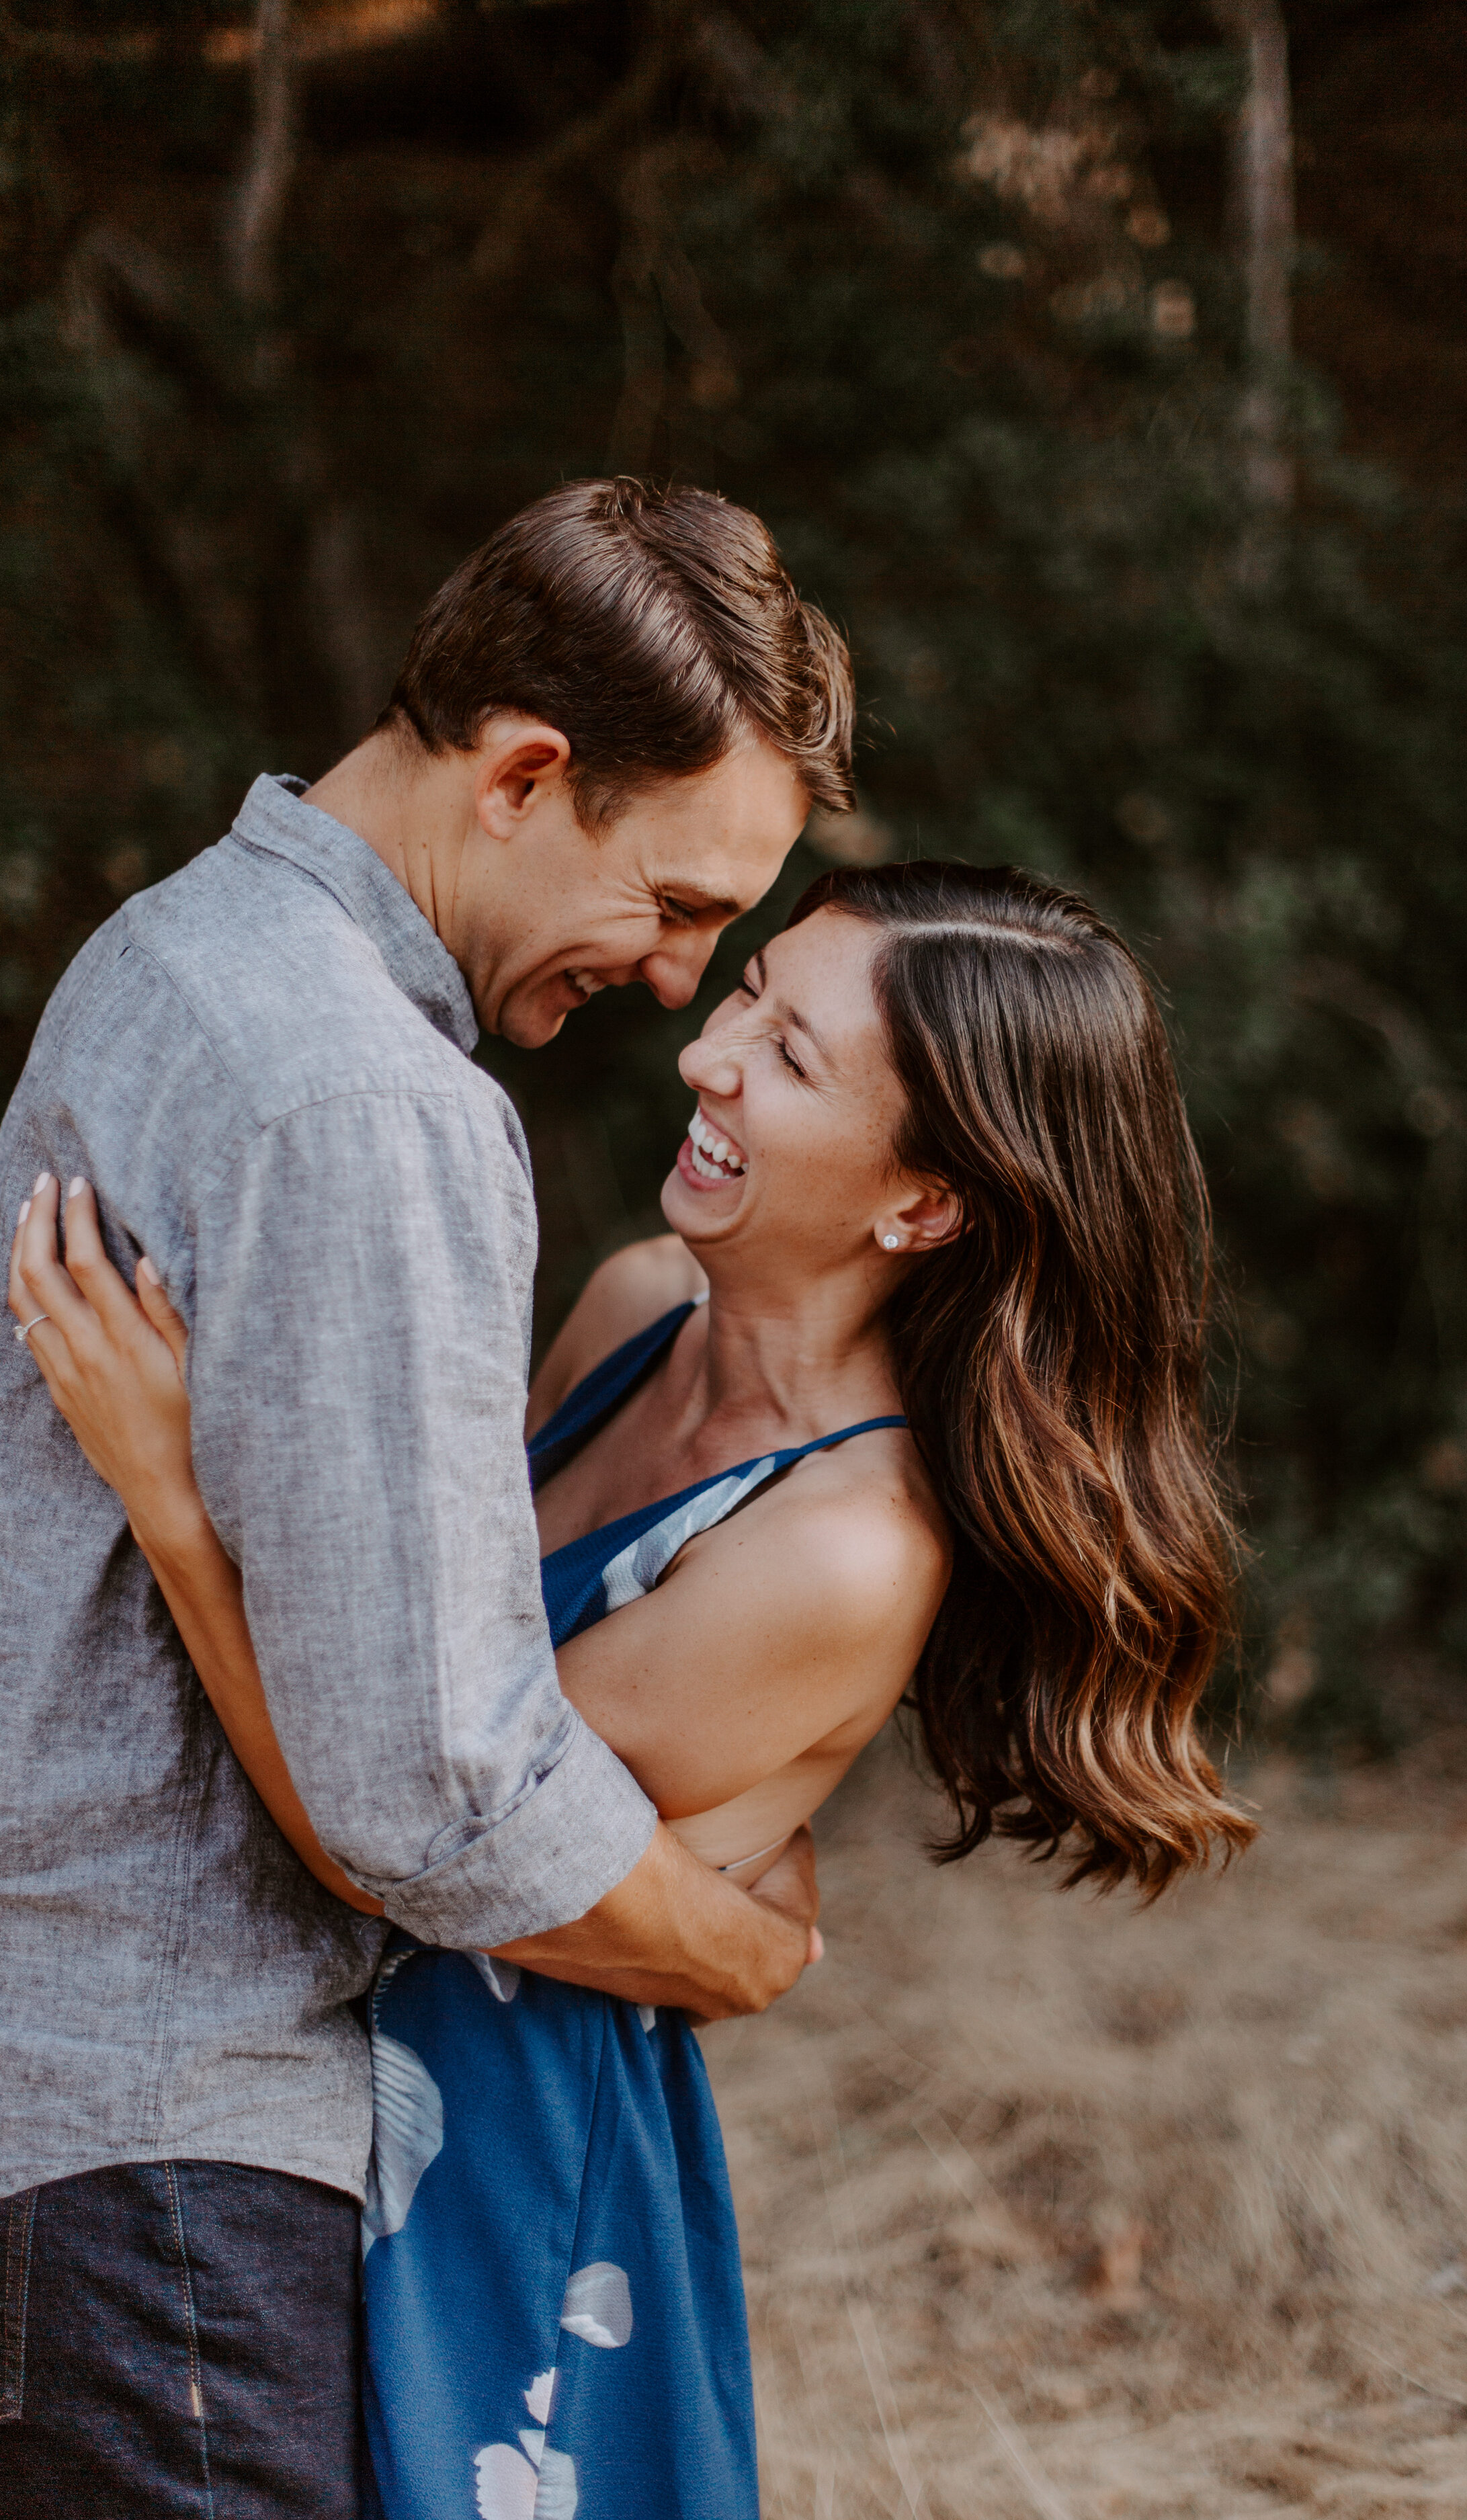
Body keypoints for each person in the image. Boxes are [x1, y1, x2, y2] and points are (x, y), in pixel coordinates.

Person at [10, 859, 1255, 2520]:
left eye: (794, 1058)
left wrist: (166, 1496)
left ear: (925, 1203)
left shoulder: (843, 1550)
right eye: (750, 993)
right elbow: (419, 1651)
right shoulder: (635, 1306)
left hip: (500, 2159)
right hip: (328, 2051)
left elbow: (395, 1822)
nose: (708, 1055)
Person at [0, 478, 855, 2517]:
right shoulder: (371, 1095)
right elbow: (429, 1775)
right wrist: (725, 1951)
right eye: (676, 906)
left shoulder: (176, 950)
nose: (674, 987)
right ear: (526, 773)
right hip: (172, 2148)